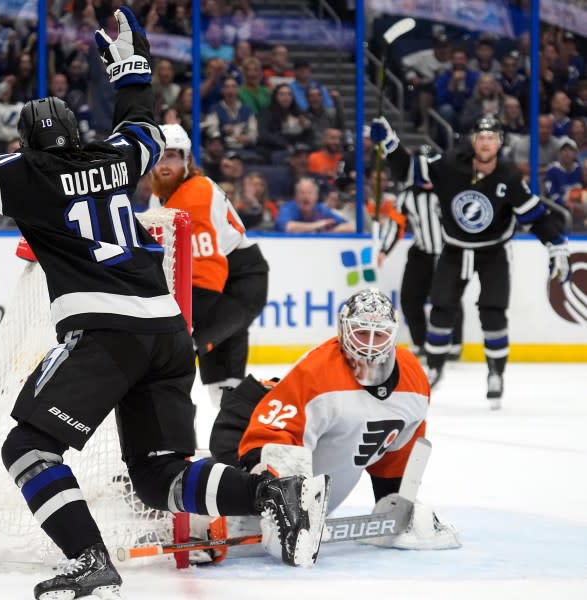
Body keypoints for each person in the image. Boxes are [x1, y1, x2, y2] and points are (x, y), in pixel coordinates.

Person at [0, 8, 330, 599]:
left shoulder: (24, 175)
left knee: (26, 446)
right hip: (169, 332)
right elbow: (144, 124)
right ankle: (271, 494)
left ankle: (91, 561)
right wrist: (131, 66)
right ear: (76, 137)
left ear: (26, 144)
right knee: (159, 475)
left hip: (106, 336)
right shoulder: (117, 159)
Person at [208, 289, 458, 549]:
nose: (370, 344)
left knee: (305, 501)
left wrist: (393, 505)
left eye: (379, 334)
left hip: (299, 439)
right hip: (246, 422)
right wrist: (281, 501)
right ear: (343, 331)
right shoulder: (318, 372)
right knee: (245, 513)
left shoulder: (413, 379)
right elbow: (269, 433)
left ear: (393, 335)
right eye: (361, 332)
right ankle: (199, 500)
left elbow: (398, 448)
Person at [371, 115, 571, 408]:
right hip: (454, 249)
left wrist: (556, 246)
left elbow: (536, 216)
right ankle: (435, 368)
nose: (486, 142)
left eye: (492, 137)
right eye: (481, 137)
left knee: (493, 312)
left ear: (499, 142)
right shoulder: (450, 165)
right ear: (474, 141)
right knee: (440, 308)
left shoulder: (510, 177)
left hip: (494, 252)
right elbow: (407, 170)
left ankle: (495, 374)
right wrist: (389, 142)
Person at [149, 123, 270, 409]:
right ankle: (235, 437)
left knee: (181, 347)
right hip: (220, 280)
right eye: (160, 157)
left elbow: (207, 270)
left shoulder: (195, 195)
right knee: (221, 381)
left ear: (187, 160)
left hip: (238, 283)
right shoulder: (161, 194)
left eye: (173, 156)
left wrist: (182, 319)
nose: (165, 165)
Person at [378, 149, 464, 358]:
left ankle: (454, 343)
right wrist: (384, 250)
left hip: (448, 253)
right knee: (409, 299)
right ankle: (421, 341)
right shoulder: (407, 196)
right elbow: (396, 224)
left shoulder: (450, 191)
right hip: (421, 253)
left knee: (449, 299)